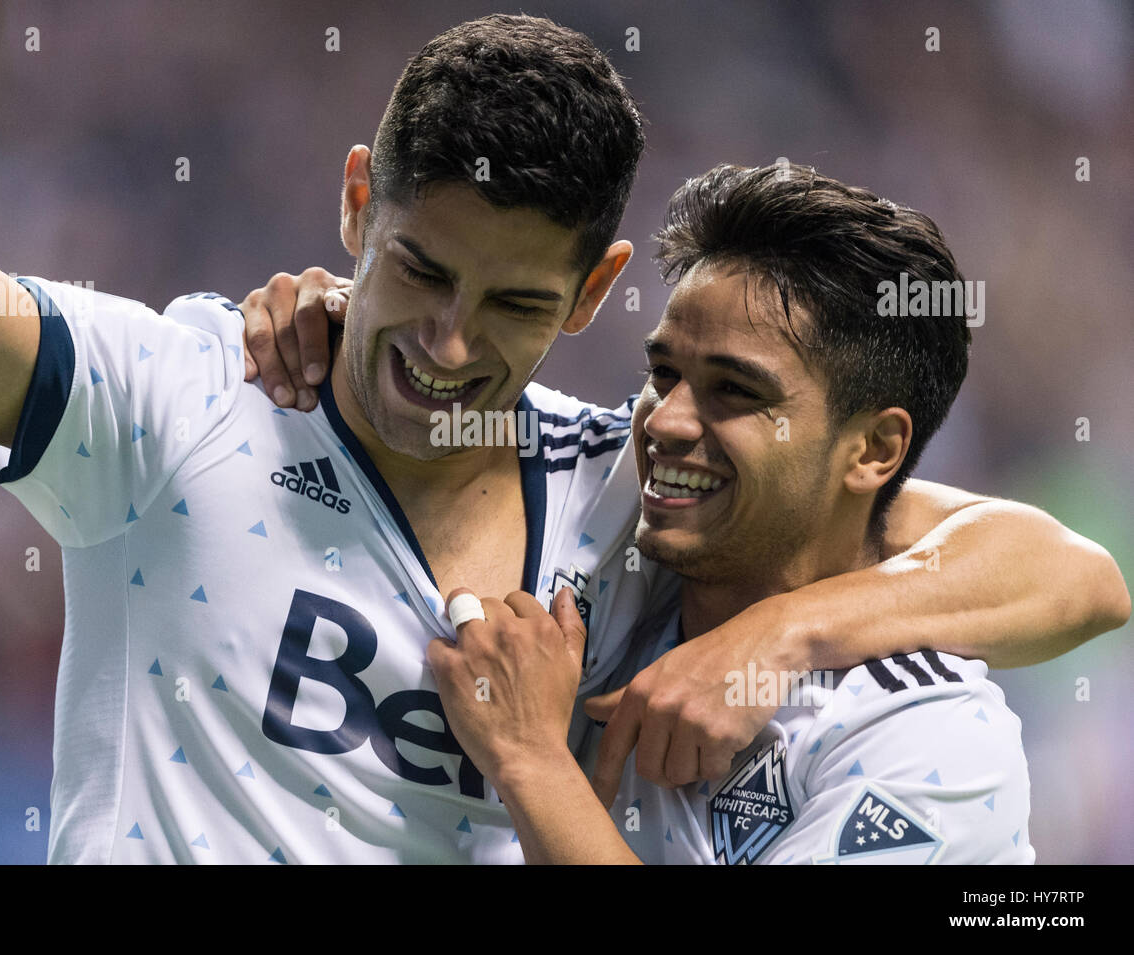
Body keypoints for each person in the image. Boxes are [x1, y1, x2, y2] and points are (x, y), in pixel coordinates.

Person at [0, 8, 1125, 863]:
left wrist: (779, 632)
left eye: (512, 303)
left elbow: (1070, 569)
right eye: (418, 272)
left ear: (593, 289)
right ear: (355, 207)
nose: (449, 343)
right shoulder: (174, 395)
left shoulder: (642, 483)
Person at [426, 163, 1118, 863]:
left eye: (734, 390)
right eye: (663, 374)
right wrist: (330, 314)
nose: (664, 422)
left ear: (874, 451)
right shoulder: (615, 531)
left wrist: (530, 759)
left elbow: (1090, 580)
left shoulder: (930, 742)